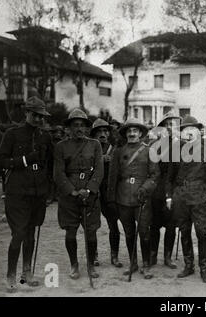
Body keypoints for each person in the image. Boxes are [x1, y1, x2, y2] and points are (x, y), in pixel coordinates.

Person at [0, 96, 54, 292]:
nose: (38, 119)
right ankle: (10, 276)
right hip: (17, 193)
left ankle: (26, 273)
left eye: (41, 116)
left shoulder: (46, 137)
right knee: (19, 234)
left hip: (37, 193)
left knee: (31, 234)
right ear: (26, 113)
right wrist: (25, 160)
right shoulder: (12, 134)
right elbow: (1, 162)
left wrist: (48, 191)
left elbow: (50, 163)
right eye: (35, 115)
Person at [166, 116, 206, 283]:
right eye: (185, 130)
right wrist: (169, 196)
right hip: (181, 196)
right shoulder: (176, 151)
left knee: (202, 232)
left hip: (200, 196)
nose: (189, 132)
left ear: (198, 131)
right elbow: (169, 177)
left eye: (193, 129)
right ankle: (189, 265)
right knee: (184, 230)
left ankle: (205, 268)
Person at [54, 109, 104, 280]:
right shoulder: (61, 147)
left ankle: (90, 265)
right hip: (69, 197)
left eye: (82, 125)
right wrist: (73, 191)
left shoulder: (95, 144)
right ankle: (74, 264)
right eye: (75, 125)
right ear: (68, 128)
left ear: (87, 128)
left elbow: (99, 170)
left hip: (90, 196)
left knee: (91, 232)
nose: (79, 129)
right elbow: (58, 173)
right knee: (70, 232)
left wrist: (89, 190)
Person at [107, 118, 160, 279]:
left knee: (144, 232)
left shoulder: (149, 150)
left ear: (141, 133)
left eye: (135, 131)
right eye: (129, 131)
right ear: (125, 134)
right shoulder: (118, 152)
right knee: (129, 233)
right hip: (123, 198)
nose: (132, 133)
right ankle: (133, 263)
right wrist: (111, 199)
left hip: (142, 198)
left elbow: (155, 175)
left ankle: (145, 265)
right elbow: (112, 177)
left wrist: (145, 189)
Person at [149, 111, 181, 269]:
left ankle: (167, 256)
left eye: (173, 124)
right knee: (154, 225)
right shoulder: (154, 145)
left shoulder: (182, 146)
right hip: (156, 190)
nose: (169, 127)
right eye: (167, 124)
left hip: (174, 191)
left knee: (171, 225)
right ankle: (153, 255)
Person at [90, 118, 121, 267]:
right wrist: (100, 160)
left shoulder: (114, 149)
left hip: (108, 192)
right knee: (92, 226)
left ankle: (114, 256)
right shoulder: (88, 149)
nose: (102, 134)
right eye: (99, 131)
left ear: (109, 133)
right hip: (93, 192)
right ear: (94, 134)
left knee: (113, 225)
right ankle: (94, 255)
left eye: (105, 131)